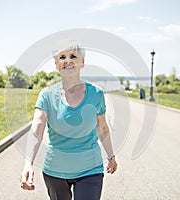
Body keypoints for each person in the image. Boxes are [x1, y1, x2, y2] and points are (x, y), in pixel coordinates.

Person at [20, 39, 117, 200]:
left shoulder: (96, 94)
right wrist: (28, 163)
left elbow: (103, 128)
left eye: (73, 56)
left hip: (90, 170)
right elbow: (37, 129)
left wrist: (111, 157)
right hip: (55, 172)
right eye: (62, 57)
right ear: (56, 64)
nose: (67, 61)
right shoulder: (47, 95)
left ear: (82, 62)